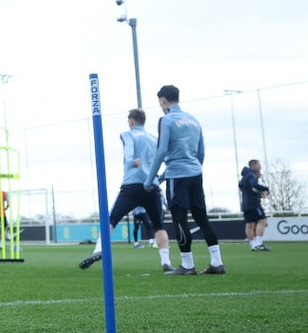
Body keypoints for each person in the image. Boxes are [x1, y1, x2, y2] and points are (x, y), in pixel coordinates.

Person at [80, 109, 173, 271]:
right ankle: (166, 262)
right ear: (143, 121)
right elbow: (164, 158)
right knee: (158, 225)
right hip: (152, 186)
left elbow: (129, 150)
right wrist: (159, 179)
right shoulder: (154, 138)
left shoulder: (128, 134)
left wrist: (131, 161)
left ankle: (98, 249)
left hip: (132, 184)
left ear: (131, 122)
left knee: (111, 219)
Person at [145, 86, 225, 275]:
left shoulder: (166, 120)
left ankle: (187, 264)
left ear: (163, 100)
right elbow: (201, 151)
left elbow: (162, 151)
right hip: (195, 173)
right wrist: (170, 175)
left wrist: (150, 180)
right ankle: (217, 262)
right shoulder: (194, 120)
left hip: (178, 176)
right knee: (202, 218)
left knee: (179, 219)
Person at [239, 159, 270, 251]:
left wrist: (257, 194)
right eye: (258, 164)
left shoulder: (244, 177)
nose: (260, 166)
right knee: (263, 221)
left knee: (250, 224)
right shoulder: (251, 175)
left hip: (245, 204)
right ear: (253, 165)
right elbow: (254, 185)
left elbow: (244, 187)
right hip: (253, 204)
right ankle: (259, 244)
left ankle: (253, 245)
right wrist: (266, 189)